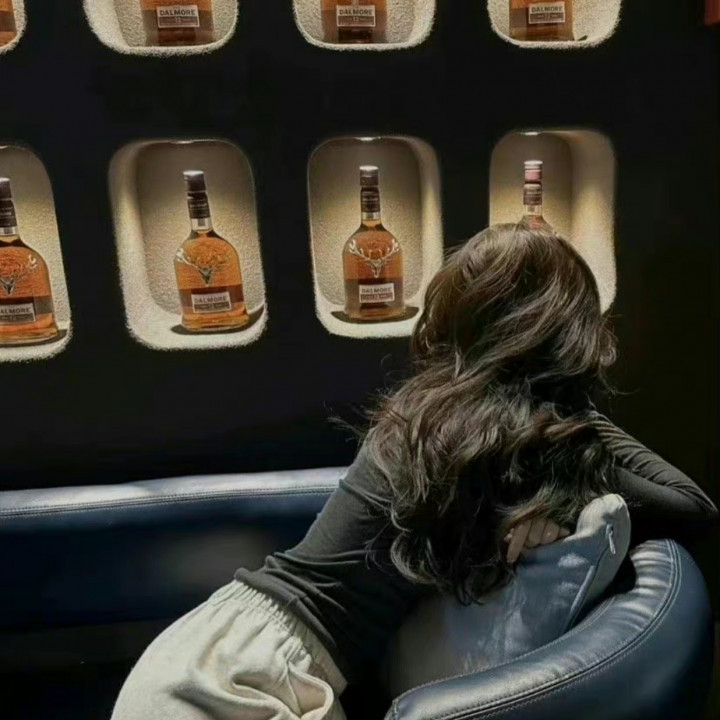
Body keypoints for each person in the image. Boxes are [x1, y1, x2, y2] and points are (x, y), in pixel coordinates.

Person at [111, 224, 718, 720]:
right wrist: (572, 400)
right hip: (251, 677)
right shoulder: (509, 440)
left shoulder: (436, 416)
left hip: (220, 647)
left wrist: (561, 413)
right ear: (570, 332)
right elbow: (691, 506)